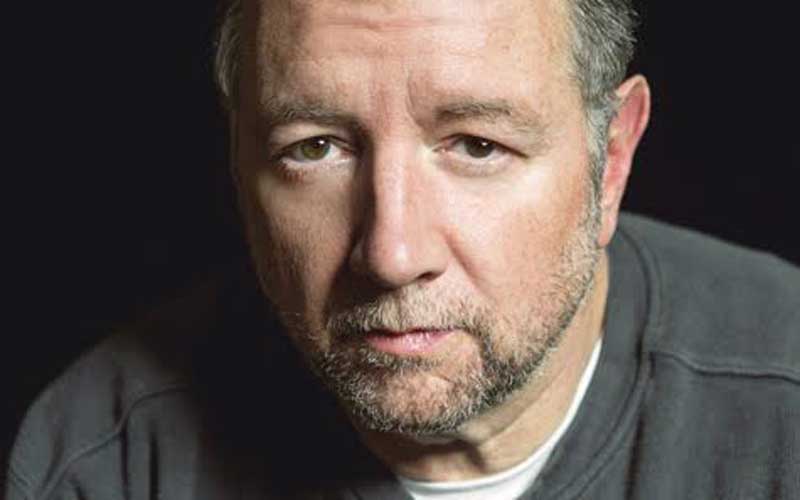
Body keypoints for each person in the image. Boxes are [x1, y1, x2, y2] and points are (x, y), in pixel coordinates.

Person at [6, 0, 799, 498]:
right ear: (238, 165)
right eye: (315, 147)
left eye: (477, 146)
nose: (391, 252)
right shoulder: (101, 461)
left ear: (611, 160)